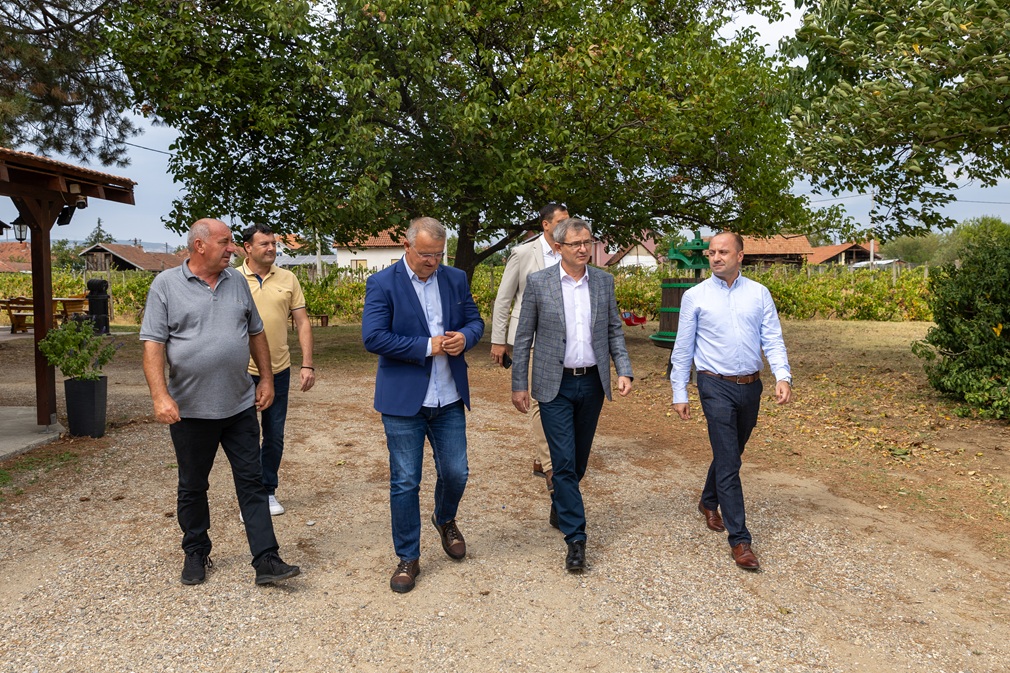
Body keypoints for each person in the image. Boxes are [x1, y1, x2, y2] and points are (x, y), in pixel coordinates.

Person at [140, 218, 301, 587]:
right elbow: (153, 346)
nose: (232, 248)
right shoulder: (166, 285)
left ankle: (266, 559)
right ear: (200, 246)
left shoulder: (236, 282)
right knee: (193, 485)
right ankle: (196, 551)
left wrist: (266, 378)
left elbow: (256, 332)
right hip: (190, 409)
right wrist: (160, 396)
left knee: (252, 482)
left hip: (239, 405)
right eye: (225, 242)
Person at [361, 217, 485, 594]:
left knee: (456, 472)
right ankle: (408, 556)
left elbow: (475, 322)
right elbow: (373, 337)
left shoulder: (455, 279)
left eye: (438, 254)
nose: (432, 261)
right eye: (426, 254)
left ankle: (444, 519)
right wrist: (425, 346)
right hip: (403, 401)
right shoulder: (382, 283)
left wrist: (465, 338)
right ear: (407, 246)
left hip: (449, 397)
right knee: (405, 481)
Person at [511, 217, 633, 573]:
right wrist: (519, 384)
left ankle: (561, 503)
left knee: (578, 461)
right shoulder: (539, 283)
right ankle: (576, 539)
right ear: (559, 247)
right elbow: (524, 337)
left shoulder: (603, 282)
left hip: (592, 383)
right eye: (576, 243)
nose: (583, 249)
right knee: (563, 461)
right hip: (554, 385)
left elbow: (614, 330)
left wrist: (623, 369)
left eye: (587, 242)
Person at [669, 231, 793, 571]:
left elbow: (772, 338)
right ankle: (740, 540)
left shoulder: (759, 293)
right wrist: (679, 391)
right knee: (729, 461)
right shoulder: (695, 297)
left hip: (751, 386)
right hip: (714, 384)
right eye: (712, 252)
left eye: (723, 252)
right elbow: (683, 347)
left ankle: (708, 500)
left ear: (740, 255)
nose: (716, 257)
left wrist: (782, 376)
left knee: (731, 453)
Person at [490, 203, 568, 491]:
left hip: (566, 340)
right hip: (533, 338)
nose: (566, 226)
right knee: (540, 400)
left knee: (561, 397)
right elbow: (504, 298)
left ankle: (541, 457)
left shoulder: (570, 251)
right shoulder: (523, 253)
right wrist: (498, 340)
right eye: (560, 221)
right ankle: (550, 467)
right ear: (545, 224)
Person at [240, 223, 316, 516]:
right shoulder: (233, 279)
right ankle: (250, 495)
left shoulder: (288, 278)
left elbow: (302, 322)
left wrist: (307, 364)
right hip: (242, 371)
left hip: (278, 369)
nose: (271, 248)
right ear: (247, 248)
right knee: (245, 436)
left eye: (273, 243)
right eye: (264, 244)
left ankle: (267, 490)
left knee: (274, 434)